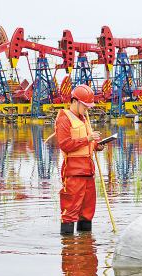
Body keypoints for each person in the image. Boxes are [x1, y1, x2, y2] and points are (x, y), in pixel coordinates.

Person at [56, 84, 104, 234]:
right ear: (75, 101)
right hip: (74, 172)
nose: (87, 109)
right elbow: (65, 145)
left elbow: (88, 143)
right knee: (70, 211)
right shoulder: (64, 118)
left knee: (87, 211)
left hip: (88, 171)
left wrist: (97, 145)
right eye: (85, 105)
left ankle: (86, 249)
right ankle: (68, 249)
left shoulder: (84, 118)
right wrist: (88, 138)